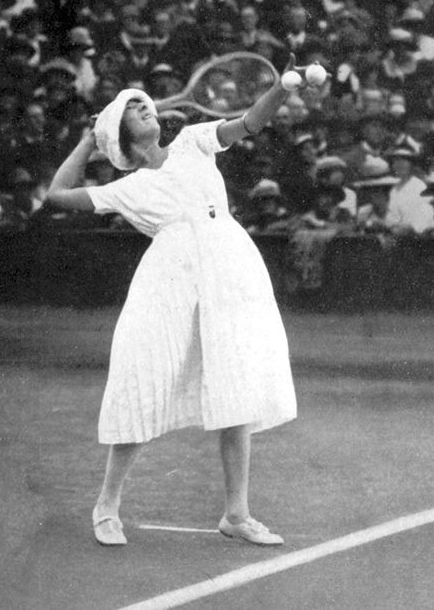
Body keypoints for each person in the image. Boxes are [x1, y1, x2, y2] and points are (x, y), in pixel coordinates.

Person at [45, 58, 302, 548]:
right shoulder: (126, 188)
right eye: (134, 107)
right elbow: (57, 194)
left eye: (146, 102)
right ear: (120, 133)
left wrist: (282, 87)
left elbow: (249, 122)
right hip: (169, 281)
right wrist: (84, 141)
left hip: (230, 268)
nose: (145, 107)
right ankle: (107, 505)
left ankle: (237, 514)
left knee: (236, 385)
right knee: (143, 379)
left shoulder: (192, 142)